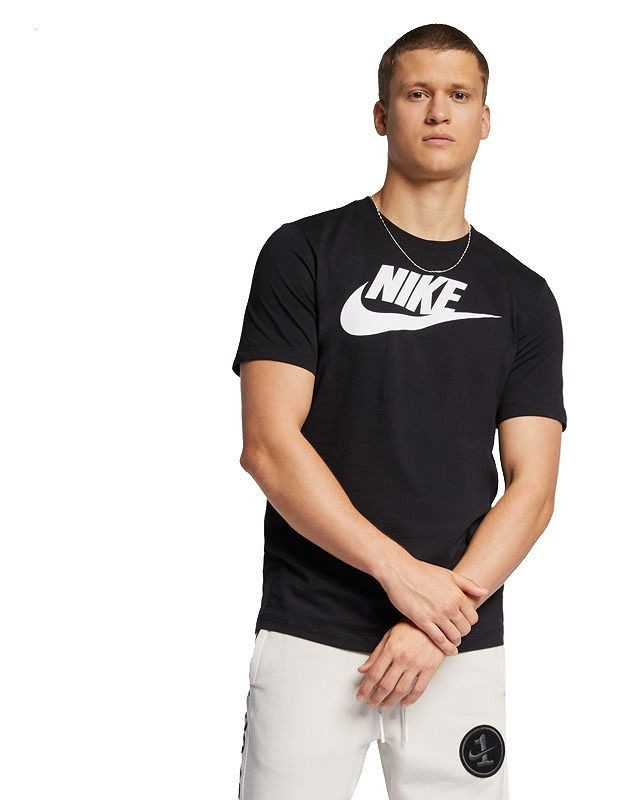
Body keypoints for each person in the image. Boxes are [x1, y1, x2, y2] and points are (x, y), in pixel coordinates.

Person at [231, 23, 567, 800]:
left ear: (486, 118)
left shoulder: (524, 296)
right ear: (382, 114)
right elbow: (268, 445)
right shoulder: (304, 254)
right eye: (417, 93)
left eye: (459, 95)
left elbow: (534, 487)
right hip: (312, 630)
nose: (439, 111)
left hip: (456, 646)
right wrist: (399, 575)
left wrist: (436, 620)